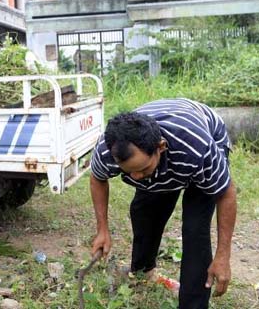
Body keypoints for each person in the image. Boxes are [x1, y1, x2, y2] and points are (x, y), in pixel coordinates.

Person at [89, 98, 237, 309]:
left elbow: (227, 192)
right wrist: (102, 229)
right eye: (129, 172)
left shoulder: (198, 148)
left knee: (195, 228)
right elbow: (97, 178)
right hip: (169, 148)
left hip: (205, 133)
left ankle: (193, 305)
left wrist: (223, 256)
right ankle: (143, 272)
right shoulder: (108, 150)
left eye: (143, 168)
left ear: (161, 147)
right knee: (144, 210)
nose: (137, 177)